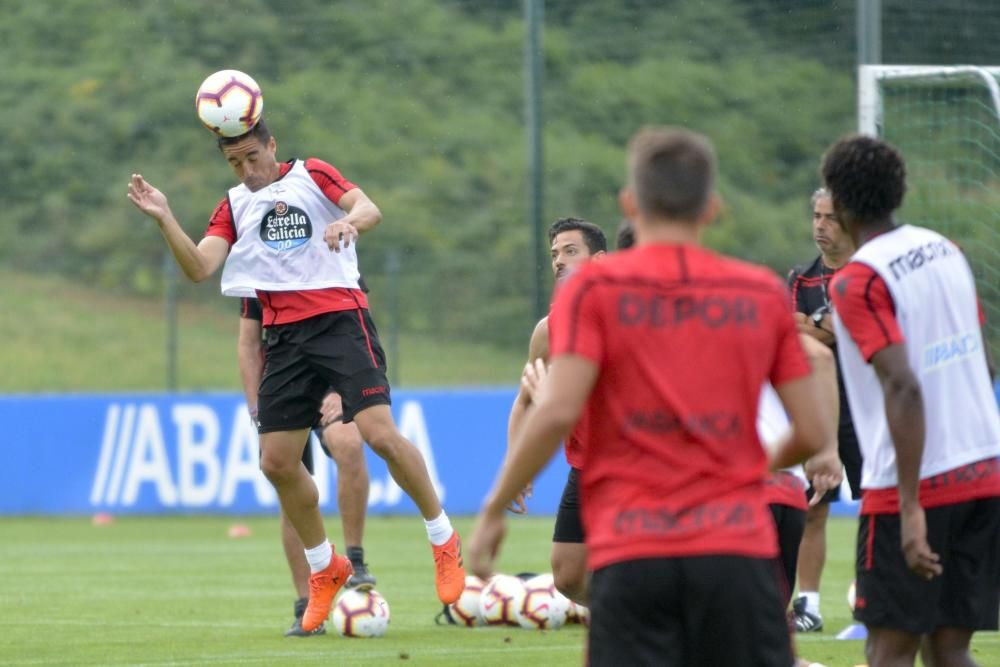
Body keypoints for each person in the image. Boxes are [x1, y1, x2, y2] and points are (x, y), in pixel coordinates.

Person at [469, 126, 831, 665]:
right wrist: (745, 471)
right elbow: (810, 432)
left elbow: (558, 410)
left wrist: (496, 506)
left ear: (630, 204)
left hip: (634, 549)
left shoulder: (592, 292)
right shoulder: (758, 292)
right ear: (711, 208)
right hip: (734, 547)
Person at [127, 118, 465, 633]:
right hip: (283, 340)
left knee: (379, 437)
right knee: (276, 463)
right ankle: (324, 566)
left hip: (339, 323)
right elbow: (199, 267)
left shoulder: (312, 174)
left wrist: (350, 222)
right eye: (234, 163)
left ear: (271, 146)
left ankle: (442, 537)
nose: (246, 171)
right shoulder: (233, 206)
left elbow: (368, 207)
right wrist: (164, 216)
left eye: (252, 158)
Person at [822, 134, 1000, 667]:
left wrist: (910, 505)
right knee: (950, 651)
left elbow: (902, 384)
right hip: (984, 469)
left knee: (888, 651)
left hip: (920, 482)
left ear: (841, 201)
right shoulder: (947, 250)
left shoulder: (857, 281)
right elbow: (980, 359)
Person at [238, 296, 376, 636]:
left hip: (330, 382)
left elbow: (360, 329)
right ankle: (306, 605)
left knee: (349, 444)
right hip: (286, 384)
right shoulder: (258, 264)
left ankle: (355, 560)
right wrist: (257, 408)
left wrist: (345, 389)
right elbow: (248, 343)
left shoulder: (332, 252)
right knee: (290, 491)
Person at [505, 217, 607, 605]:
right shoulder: (548, 330)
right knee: (567, 575)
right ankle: (634, 615)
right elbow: (525, 401)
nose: (559, 261)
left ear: (597, 261)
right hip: (584, 467)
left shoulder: (623, 316)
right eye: (554, 254)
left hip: (629, 464)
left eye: (570, 251)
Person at [786, 187, 862, 632]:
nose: (820, 225)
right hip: (819, 409)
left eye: (830, 217)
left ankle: (872, 600)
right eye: (816, 215)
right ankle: (809, 606)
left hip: (868, 410)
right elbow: (793, 333)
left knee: (878, 506)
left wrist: (812, 324)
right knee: (814, 505)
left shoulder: (867, 272)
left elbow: (846, 329)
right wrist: (824, 325)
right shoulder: (800, 279)